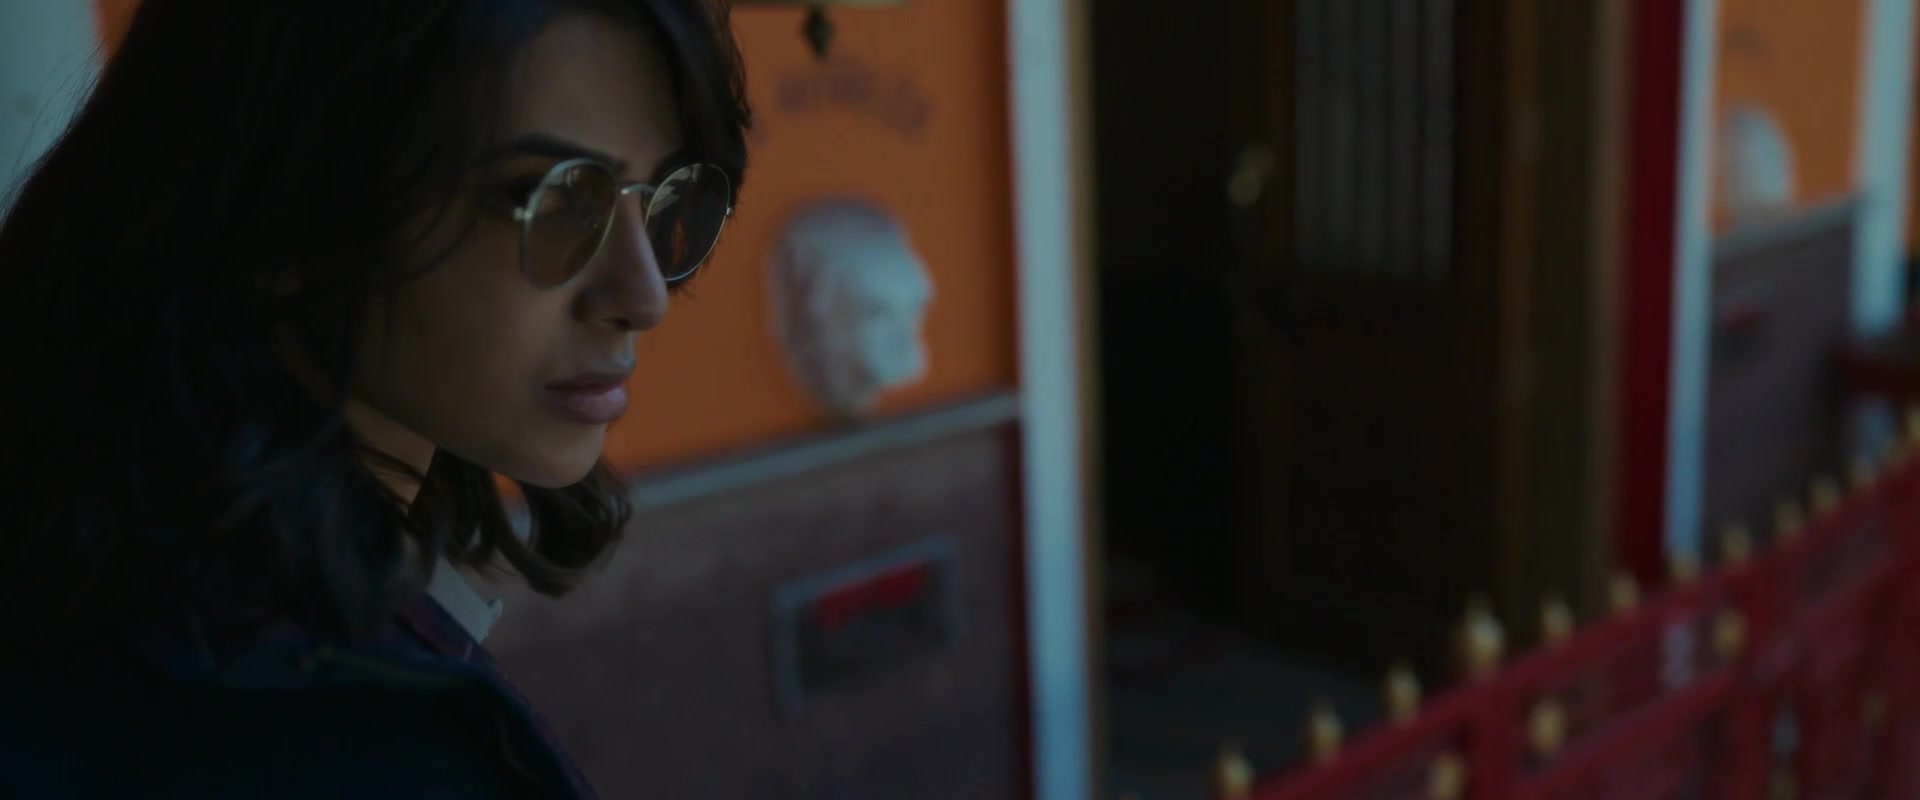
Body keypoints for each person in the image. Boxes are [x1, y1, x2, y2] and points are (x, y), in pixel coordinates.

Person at [0, 0, 749, 797]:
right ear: (288, 204)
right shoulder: (314, 737)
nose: (643, 294)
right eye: (553, 197)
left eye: (663, 195)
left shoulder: (124, 574)